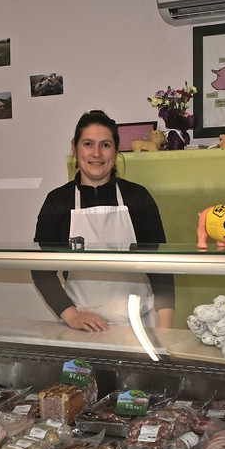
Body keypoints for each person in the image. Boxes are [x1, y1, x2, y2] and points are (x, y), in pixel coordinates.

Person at [32, 110, 175, 332]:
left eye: (105, 145)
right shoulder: (57, 201)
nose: (96, 153)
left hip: (138, 326)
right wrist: (72, 315)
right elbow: (40, 269)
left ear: (116, 150)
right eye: (88, 144)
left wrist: (166, 333)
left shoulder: (138, 198)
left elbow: (162, 267)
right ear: (74, 147)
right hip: (81, 328)